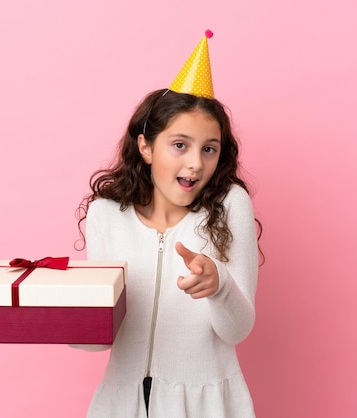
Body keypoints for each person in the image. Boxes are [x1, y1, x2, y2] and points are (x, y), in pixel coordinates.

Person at [76, 31, 261, 418]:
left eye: (209, 148)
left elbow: (237, 331)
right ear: (146, 146)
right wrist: (62, 316)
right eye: (180, 145)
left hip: (207, 404)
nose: (196, 163)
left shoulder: (230, 207)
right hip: (121, 403)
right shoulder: (107, 215)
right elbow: (99, 340)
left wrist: (219, 285)